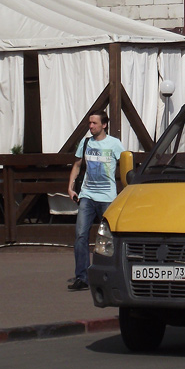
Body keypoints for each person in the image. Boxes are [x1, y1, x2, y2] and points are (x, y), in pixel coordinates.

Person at [66, 112, 124, 291]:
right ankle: (82, 277)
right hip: (87, 196)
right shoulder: (85, 143)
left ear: (104, 125)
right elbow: (77, 165)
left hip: (107, 197)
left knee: (109, 238)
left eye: (94, 123)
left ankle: (112, 275)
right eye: (89, 123)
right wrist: (70, 187)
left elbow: (127, 165)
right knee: (81, 235)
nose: (90, 126)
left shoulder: (115, 144)